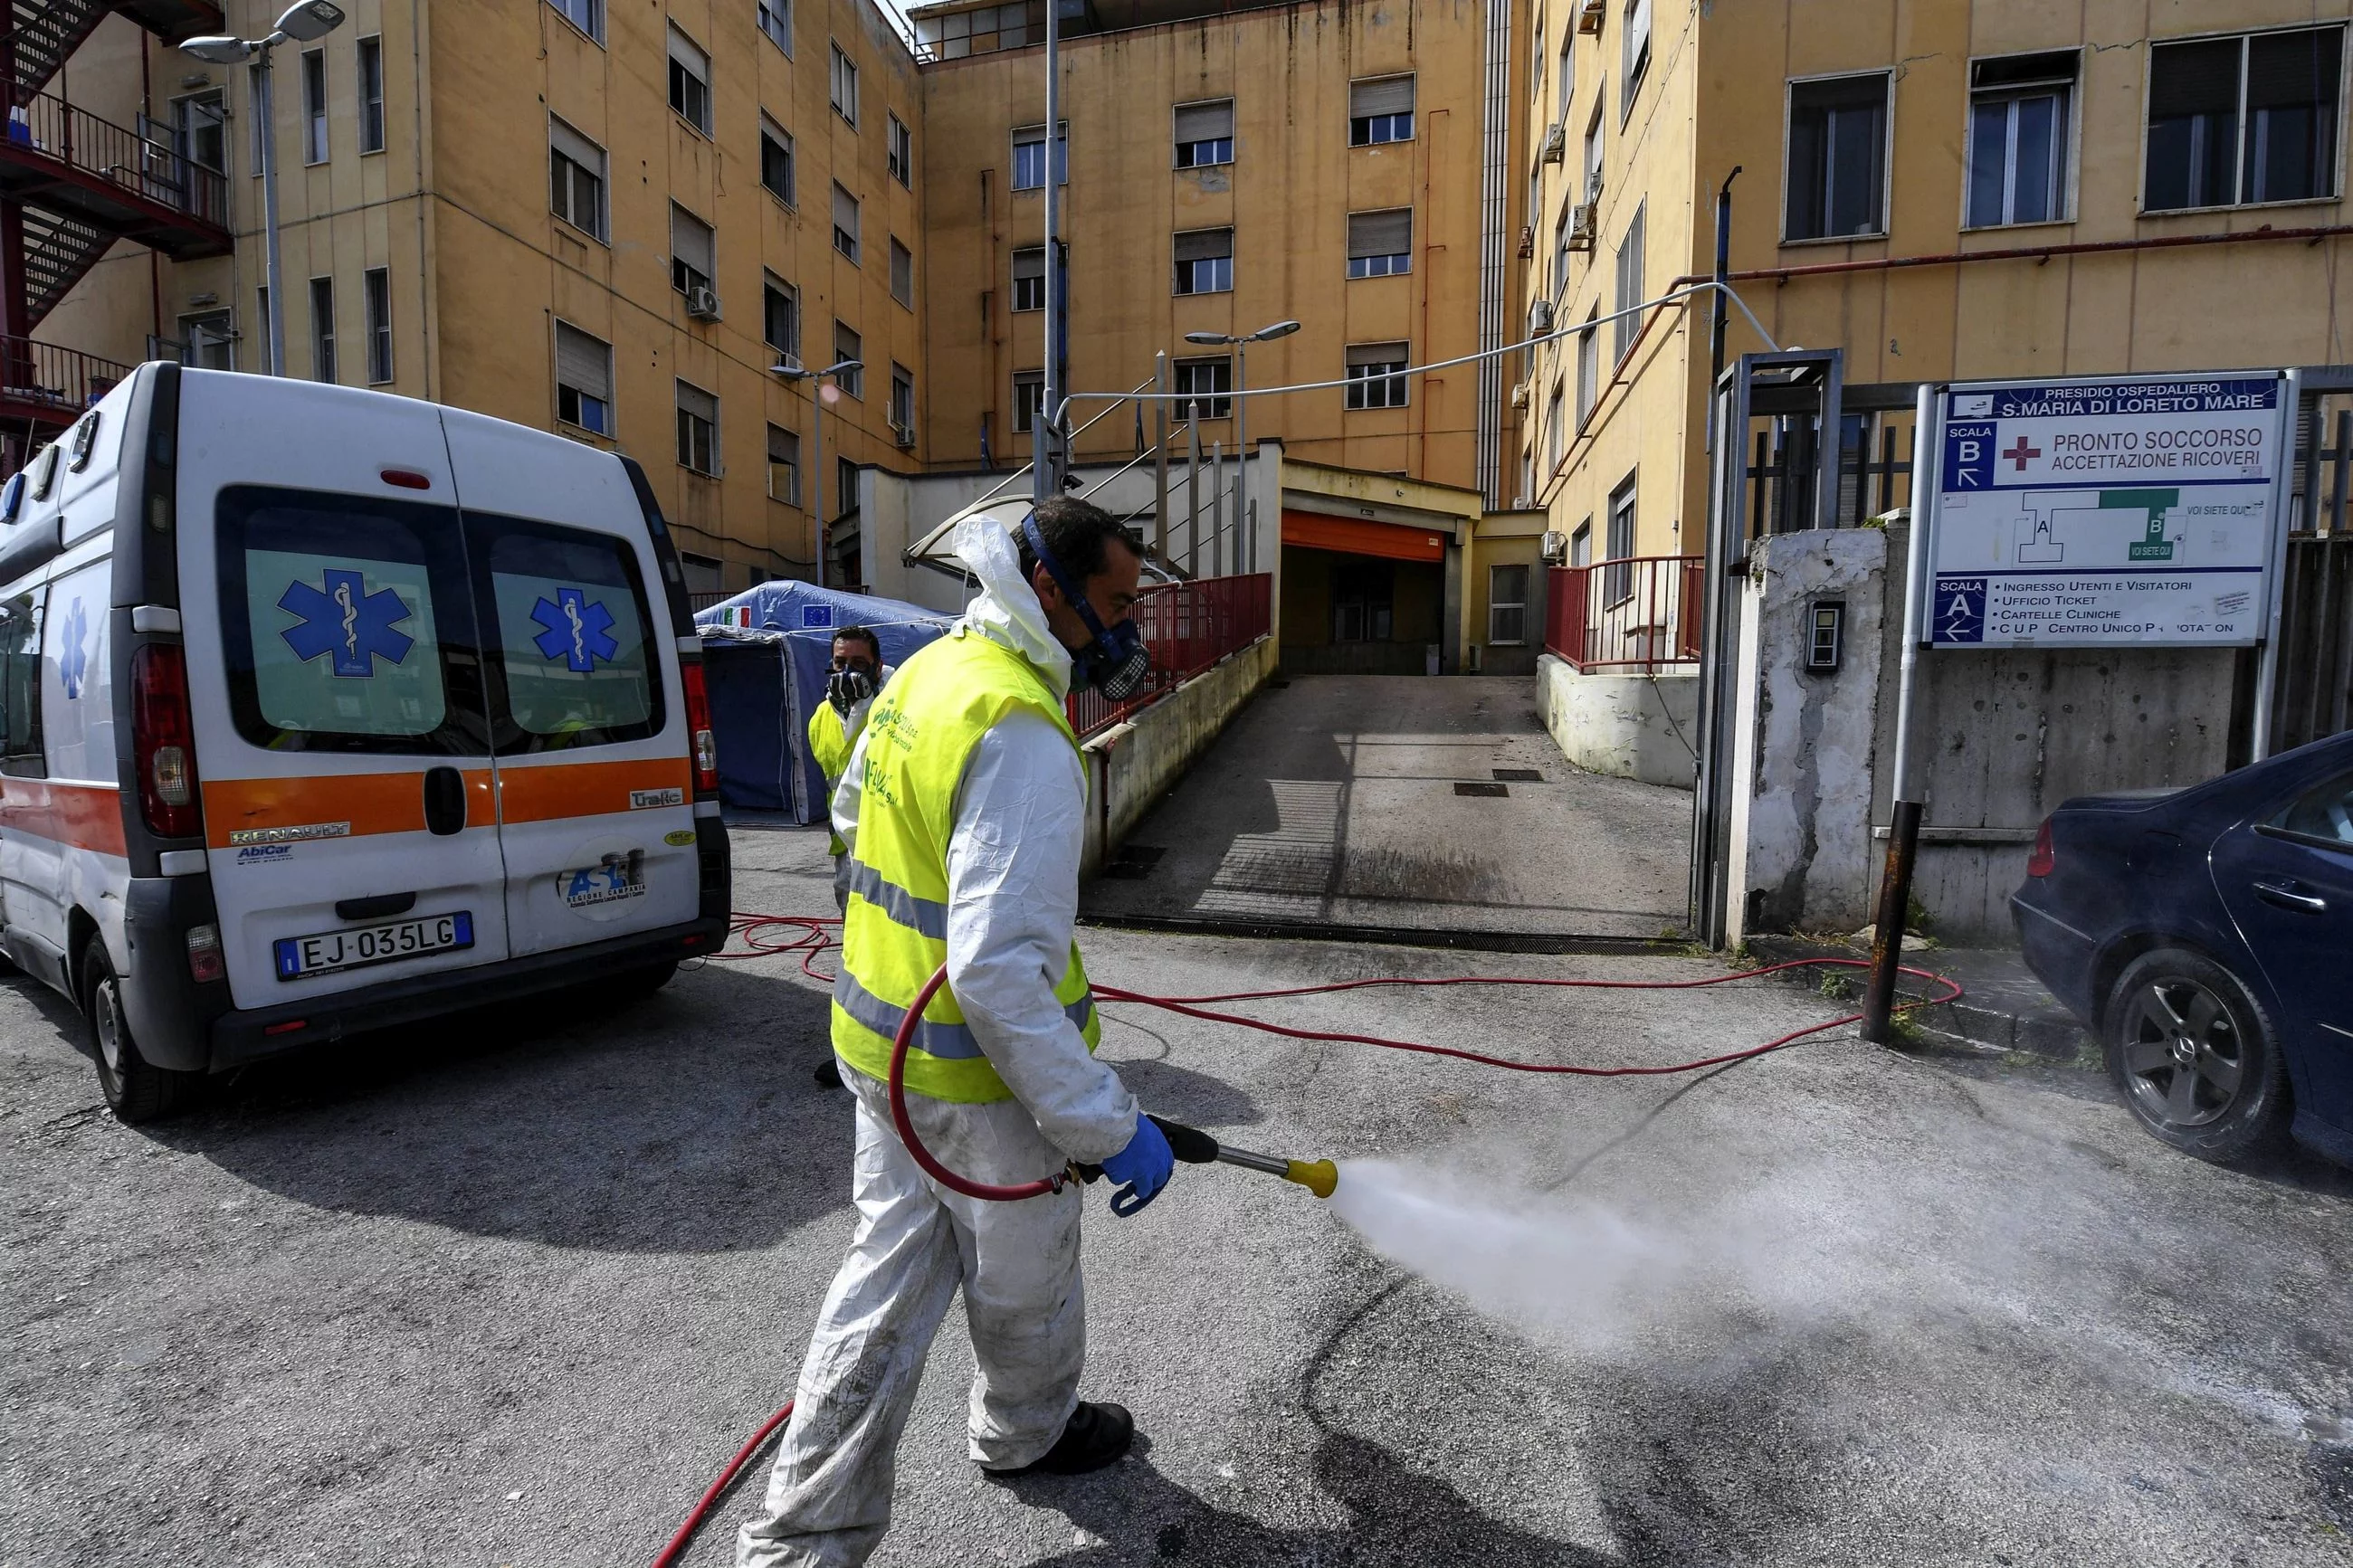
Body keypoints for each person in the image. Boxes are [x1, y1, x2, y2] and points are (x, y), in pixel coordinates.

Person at [738, 498, 1171, 1568]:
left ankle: (800, 1546)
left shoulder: (931, 672)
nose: (1128, 630)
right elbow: (997, 975)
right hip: (980, 1093)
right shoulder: (1019, 729)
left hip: (880, 1054)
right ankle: (1024, 1434)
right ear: (1051, 590)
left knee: (879, 1281)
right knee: (1028, 1277)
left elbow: (852, 817)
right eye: (1116, 604)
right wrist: (1103, 1126)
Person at [807, 625, 889, 915]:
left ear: (877, 669)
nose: (846, 672)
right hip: (844, 843)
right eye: (840, 663)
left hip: (889, 843)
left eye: (858, 664)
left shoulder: (896, 710)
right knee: (851, 916)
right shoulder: (820, 719)